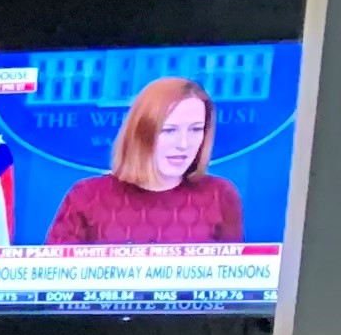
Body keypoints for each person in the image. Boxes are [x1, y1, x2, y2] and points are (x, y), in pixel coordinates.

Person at [43, 78, 245, 247]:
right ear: (140, 133)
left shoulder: (219, 195)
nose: (184, 144)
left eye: (195, 130)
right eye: (169, 130)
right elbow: (50, 284)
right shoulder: (87, 196)